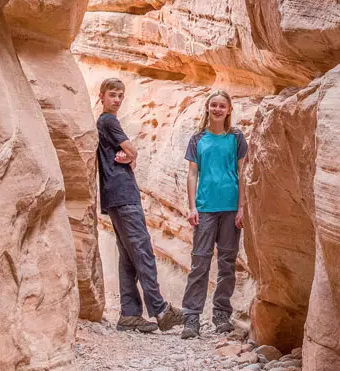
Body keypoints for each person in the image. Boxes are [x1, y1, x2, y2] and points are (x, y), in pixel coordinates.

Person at [96, 77, 183, 334]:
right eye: (112, 94)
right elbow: (131, 151)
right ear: (101, 96)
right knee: (143, 251)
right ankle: (160, 310)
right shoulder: (108, 120)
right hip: (123, 195)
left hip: (115, 197)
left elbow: (127, 155)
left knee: (128, 257)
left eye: (121, 95)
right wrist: (130, 156)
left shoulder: (104, 124)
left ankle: (130, 314)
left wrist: (128, 157)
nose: (117, 99)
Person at [180, 90, 248, 340]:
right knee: (200, 262)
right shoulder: (198, 139)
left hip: (230, 209)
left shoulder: (236, 138)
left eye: (222, 106)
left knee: (227, 264)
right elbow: (192, 174)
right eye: (214, 105)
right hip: (206, 208)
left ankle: (221, 314)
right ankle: (191, 317)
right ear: (208, 108)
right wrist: (192, 207)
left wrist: (242, 207)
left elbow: (242, 173)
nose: (218, 109)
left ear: (229, 110)